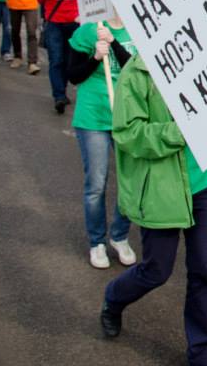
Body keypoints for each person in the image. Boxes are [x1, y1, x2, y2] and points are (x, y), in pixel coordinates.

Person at [100, 53, 207, 366]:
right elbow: (127, 133)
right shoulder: (137, 72)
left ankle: (201, 350)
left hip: (206, 183)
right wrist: (179, 132)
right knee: (156, 270)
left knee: (206, 272)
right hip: (162, 187)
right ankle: (114, 297)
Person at [67, 17, 137, 269]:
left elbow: (136, 70)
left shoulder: (138, 26)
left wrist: (114, 42)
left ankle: (119, 236)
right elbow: (73, 75)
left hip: (128, 118)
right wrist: (95, 57)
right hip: (93, 119)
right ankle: (97, 242)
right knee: (96, 183)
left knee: (130, 181)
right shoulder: (89, 29)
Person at [38, 0, 79, 113]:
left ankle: (62, 89)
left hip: (75, 22)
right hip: (54, 22)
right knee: (56, 60)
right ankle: (59, 96)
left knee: (70, 61)